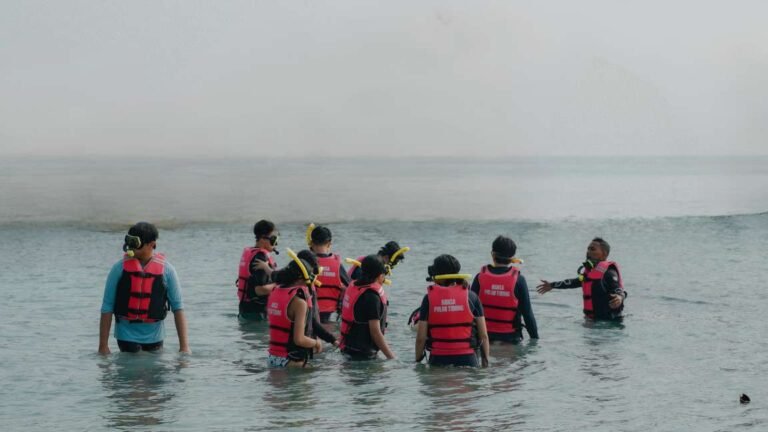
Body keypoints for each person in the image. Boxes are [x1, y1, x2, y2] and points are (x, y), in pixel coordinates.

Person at [98, 222, 190, 354]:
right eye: (130, 241)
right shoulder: (119, 269)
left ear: (151, 244)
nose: (132, 247)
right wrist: (103, 346)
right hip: (126, 337)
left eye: (136, 243)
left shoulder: (167, 270)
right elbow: (107, 306)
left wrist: (184, 347)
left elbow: (178, 307)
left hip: (156, 338)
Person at [415, 255, 490, 367]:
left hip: (438, 359)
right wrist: (485, 363)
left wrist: (417, 360)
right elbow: (483, 335)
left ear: (440, 276)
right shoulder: (472, 297)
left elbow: (421, 338)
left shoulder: (428, 299)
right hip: (468, 359)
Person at [536, 237, 626, 321]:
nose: (588, 252)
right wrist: (552, 285)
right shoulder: (590, 273)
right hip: (592, 321)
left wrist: (620, 297)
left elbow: (618, 289)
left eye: (592, 249)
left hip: (609, 323)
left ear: (604, 255)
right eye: (588, 249)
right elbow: (573, 282)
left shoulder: (609, 272)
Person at [472, 236, 538, 343]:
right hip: (510, 339)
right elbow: (528, 314)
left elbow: (470, 309)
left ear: (492, 254)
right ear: (513, 258)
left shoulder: (479, 277)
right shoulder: (519, 280)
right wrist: (535, 340)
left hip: (484, 338)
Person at [267, 251, 324, 367]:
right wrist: (316, 343)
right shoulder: (299, 303)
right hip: (292, 361)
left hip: (272, 358)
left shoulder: (274, 292)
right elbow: (299, 339)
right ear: (300, 278)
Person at [339, 255, 395, 360]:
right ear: (380, 275)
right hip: (363, 354)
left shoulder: (354, 285)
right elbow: (375, 331)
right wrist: (391, 357)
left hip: (347, 348)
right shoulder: (372, 297)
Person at [307, 225, 351, 323]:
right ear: (329, 243)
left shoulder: (305, 262)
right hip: (330, 315)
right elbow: (351, 288)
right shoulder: (337, 265)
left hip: (308, 314)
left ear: (311, 243)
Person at [236, 220, 279, 321]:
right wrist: (279, 284)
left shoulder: (251, 253)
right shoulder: (261, 258)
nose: (276, 243)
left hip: (245, 309)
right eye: (273, 239)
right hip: (258, 313)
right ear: (263, 239)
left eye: (277, 238)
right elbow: (260, 290)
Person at [296, 249, 340, 347]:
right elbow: (310, 321)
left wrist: (332, 340)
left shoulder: (285, 289)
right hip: (300, 347)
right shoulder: (299, 296)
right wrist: (318, 343)